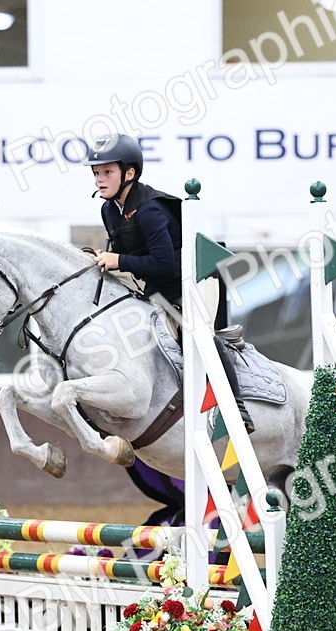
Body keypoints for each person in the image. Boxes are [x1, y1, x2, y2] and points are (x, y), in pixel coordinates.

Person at [84, 133, 255, 433]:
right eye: (97, 173)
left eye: (107, 172)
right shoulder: (109, 209)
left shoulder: (150, 210)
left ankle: (236, 407)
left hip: (197, 282)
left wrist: (118, 260)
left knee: (199, 335)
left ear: (130, 173)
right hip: (160, 289)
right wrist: (105, 259)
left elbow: (164, 263)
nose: (100, 179)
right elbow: (128, 257)